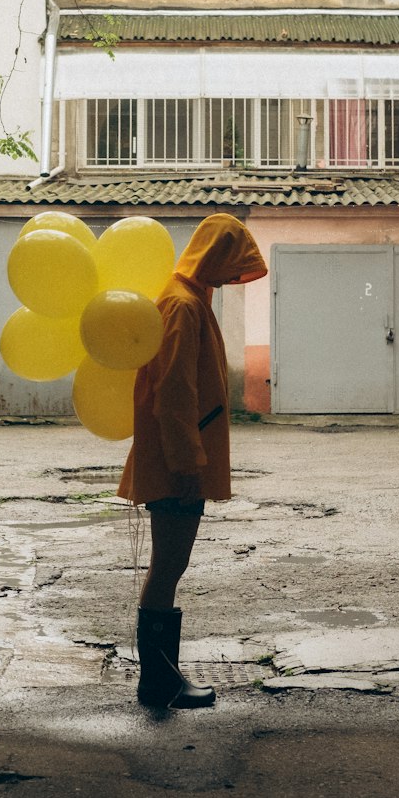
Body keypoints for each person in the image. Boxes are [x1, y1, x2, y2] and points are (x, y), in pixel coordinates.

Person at [118, 213, 268, 709]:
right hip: (176, 463)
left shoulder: (187, 300)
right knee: (168, 567)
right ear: (215, 257)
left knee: (169, 566)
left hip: (180, 459)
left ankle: (160, 679)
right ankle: (159, 683)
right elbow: (174, 392)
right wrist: (186, 463)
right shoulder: (181, 305)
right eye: (231, 266)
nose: (231, 277)